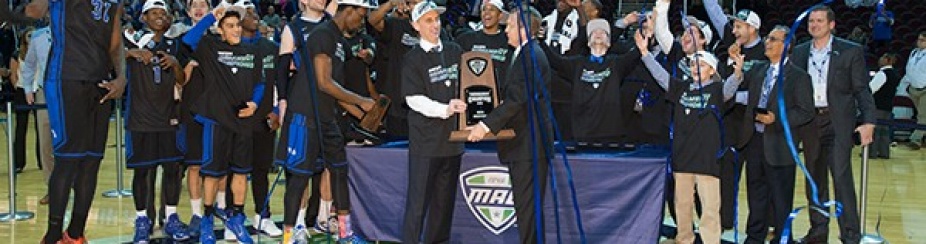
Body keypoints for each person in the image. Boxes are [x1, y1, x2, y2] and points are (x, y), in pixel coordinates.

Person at [21, 0, 126, 242]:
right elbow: (33, 11)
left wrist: (121, 77)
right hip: (67, 79)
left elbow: (115, 43)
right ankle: (53, 236)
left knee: (91, 162)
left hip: (100, 82)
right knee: (68, 160)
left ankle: (75, 233)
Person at [274, 0, 376, 242]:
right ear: (348, 10)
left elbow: (334, 89)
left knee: (339, 171)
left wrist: (362, 115)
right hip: (304, 117)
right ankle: (289, 236)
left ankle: (345, 232)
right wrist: (361, 101)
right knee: (299, 178)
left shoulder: (339, 40)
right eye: (360, 16)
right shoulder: (323, 34)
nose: (361, 22)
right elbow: (324, 82)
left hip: (326, 116)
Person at [639, 28, 743, 243]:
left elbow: (731, 88)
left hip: (708, 159)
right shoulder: (681, 87)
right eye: (693, 64)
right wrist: (645, 54)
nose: (696, 68)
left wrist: (738, 73)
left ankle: (710, 240)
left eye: (702, 65)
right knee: (682, 205)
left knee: (710, 208)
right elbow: (660, 76)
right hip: (683, 156)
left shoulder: (717, 89)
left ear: (712, 70)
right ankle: (683, 238)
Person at [466, 6, 553, 244]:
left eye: (511, 26)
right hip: (525, 145)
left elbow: (517, 101)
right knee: (526, 209)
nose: (506, 30)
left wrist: (484, 126)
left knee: (528, 210)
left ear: (524, 29)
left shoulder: (531, 55)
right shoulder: (523, 53)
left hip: (529, 147)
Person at [791, 6, 876, 244]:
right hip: (809, 123)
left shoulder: (850, 52)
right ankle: (818, 233)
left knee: (841, 178)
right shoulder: (798, 52)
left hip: (838, 123)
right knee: (814, 182)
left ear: (831, 25)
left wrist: (868, 120)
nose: (814, 25)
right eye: (811, 21)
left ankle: (850, 235)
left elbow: (861, 89)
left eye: (819, 21)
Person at [181, 4, 265, 243]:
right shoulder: (210, 47)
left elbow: (259, 83)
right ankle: (207, 219)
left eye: (238, 25)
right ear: (220, 30)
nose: (236, 29)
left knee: (241, 173)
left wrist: (256, 104)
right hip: (217, 121)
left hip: (243, 121)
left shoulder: (253, 51)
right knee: (212, 174)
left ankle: (236, 219)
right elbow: (188, 39)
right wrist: (212, 16)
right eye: (230, 26)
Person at [730, 25, 815, 244]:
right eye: (768, 38)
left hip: (780, 144)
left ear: (787, 46)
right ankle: (754, 237)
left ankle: (782, 238)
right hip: (755, 141)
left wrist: (777, 119)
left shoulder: (799, 77)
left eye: (774, 39)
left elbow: (805, 111)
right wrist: (736, 65)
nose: (767, 42)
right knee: (755, 195)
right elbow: (738, 84)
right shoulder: (758, 69)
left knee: (780, 199)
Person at [123, 0, 190, 242]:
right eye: (154, 12)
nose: (160, 16)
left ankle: (171, 217)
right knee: (142, 171)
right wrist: (129, 52)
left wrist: (176, 65)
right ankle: (142, 219)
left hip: (169, 117)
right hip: (139, 119)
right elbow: (108, 53)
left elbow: (182, 80)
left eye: (164, 13)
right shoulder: (129, 39)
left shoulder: (175, 44)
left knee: (172, 169)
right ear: (143, 17)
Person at [400, 2, 466, 243]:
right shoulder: (412, 59)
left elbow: (468, 84)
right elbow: (413, 99)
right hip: (426, 143)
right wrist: (445, 109)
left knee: (443, 206)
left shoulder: (454, 50)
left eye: (436, 19)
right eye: (428, 20)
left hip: (453, 142)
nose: (435, 24)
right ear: (416, 25)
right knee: (418, 206)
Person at [540, 18, 641, 143]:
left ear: (609, 42)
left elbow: (637, 53)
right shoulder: (577, 64)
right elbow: (554, 60)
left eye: (603, 32)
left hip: (611, 133)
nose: (598, 34)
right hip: (582, 131)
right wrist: (540, 40)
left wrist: (646, 36)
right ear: (588, 42)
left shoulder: (617, 63)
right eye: (593, 32)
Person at [234, 0, 285, 237]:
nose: (255, 15)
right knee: (236, 171)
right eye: (249, 12)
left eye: (256, 11)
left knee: (262, 170)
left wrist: (275, 110)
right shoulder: (228, 47)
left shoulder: (269, 47)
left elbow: (277, 82)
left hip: (264, 118)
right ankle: (233, 218)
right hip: (236, 119)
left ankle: (262, 216)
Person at [17, 19, 52, 205]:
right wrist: (28, 88)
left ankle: (74, 185)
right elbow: (29, 64)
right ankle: (51, 187)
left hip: (70, 92)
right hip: (44, 92)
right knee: (45, 142)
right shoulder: (38, 37)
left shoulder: (74, 32)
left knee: (70, 142)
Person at [455, 0, 510, 86]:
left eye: (491, 10)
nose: (486, 13)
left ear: (500, 15)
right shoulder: (465, 39)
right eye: (484, 9)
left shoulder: (509, 41)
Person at [869, 52, 900, 159]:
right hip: (888, 106)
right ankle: (884, 152)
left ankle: (872, 152)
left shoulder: (882, 74)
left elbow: (871, 89)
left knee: (874, 129)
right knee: (884, 130)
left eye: (882, 57)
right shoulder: (895, 74)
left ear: (887, 60)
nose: (879, 59)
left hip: (877, 105)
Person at [903, 32, 926, 149]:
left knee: (923, 116)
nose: (920, 42)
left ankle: (915, 140)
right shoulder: (914, 52)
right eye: (919, 39)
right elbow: (909, 68)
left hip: (924, 89)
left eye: (923, 40)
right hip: (913, 88)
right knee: (920, 115)